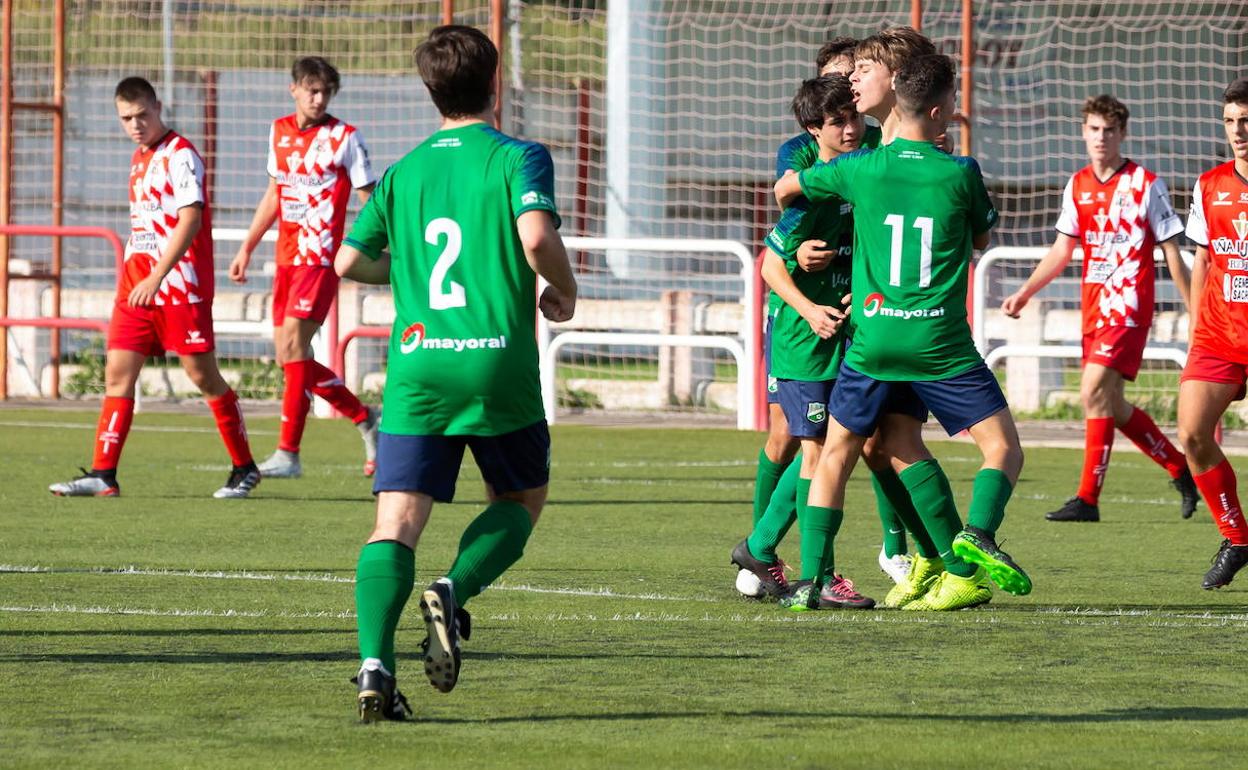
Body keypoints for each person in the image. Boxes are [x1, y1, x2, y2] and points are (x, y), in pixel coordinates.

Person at [335, 25, 577, 721]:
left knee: (395, 523)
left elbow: (349, 263)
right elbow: (535, 237)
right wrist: (565, 288)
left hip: (418, 366)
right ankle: (452, 587)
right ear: (494, 84)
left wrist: (403, 270)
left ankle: (374, 668)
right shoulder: (516, 157)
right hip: (495, 361)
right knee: (520, 500)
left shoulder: (404, 172)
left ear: (429, 89)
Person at [776, 53, 1032, 611]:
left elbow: (788, 187)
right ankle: (977, 535)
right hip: (940, 345)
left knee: (838, 453)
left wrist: (805, 209)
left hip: (873, 343)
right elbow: (983, 239)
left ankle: (813, 581)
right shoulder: (960, 171)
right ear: (939, 110)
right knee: (1003, 449)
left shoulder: (860, 169)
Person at [49, 77, 260, 500]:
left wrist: (157, 275)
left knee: (203, 377)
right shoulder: (139, 159)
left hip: (179, 288)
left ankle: (244, 467)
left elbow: (190, 220)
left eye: (142, 115)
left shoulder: (181, 155)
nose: (135, 124)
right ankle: (103, 474)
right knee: (116, 376)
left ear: (157, 107)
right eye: (126, 118)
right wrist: (137, 275)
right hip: (136, 291)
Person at [1001, 94, 1197, 522]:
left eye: (1109, 130)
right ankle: (1181, 467)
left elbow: (1173, 252)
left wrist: (1195, 312)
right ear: (1083, 132)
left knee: (1091, 390)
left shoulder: (1146, 184)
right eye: (1093, 129)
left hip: (1128, 306)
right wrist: (1026, 291)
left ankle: (1088, 499)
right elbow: (1060, 250)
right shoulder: (1078, 184)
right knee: (1112, 403)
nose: (1100, 138)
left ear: (1122, 134)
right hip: (1094, 306)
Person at [733, 75, 877, 610]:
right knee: (817, 455)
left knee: (835, 450)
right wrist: (811, 308)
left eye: (854, 116)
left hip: (841, 338)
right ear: (814, 128)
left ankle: (760, 545)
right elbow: (770, 264)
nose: (851, 127)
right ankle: (821, 575)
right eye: (838, 120)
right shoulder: (810, 186)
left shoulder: (856, 174)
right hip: (802, 343)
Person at [229, 56, 380, 479]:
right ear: (293, 89)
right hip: (286, 258)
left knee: (294, 348)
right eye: (311, 90)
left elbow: (371, 199)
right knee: (289, 357)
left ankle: (288, 453)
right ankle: (365, 417)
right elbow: (275, 194)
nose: (318, 98)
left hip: (320, 256)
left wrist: (383, 247)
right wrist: (246, 247)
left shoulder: (345, 138)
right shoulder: (278, 131)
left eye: (325, 92)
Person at [1177, 78, 1248, 589]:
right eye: (1230, 121)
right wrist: (1197, 323)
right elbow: (1202, 258)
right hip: (1218, 336)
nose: (1238, 131)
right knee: (1191, 434)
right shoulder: (1210, 184)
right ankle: (1237, 537)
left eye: (1246, 120)